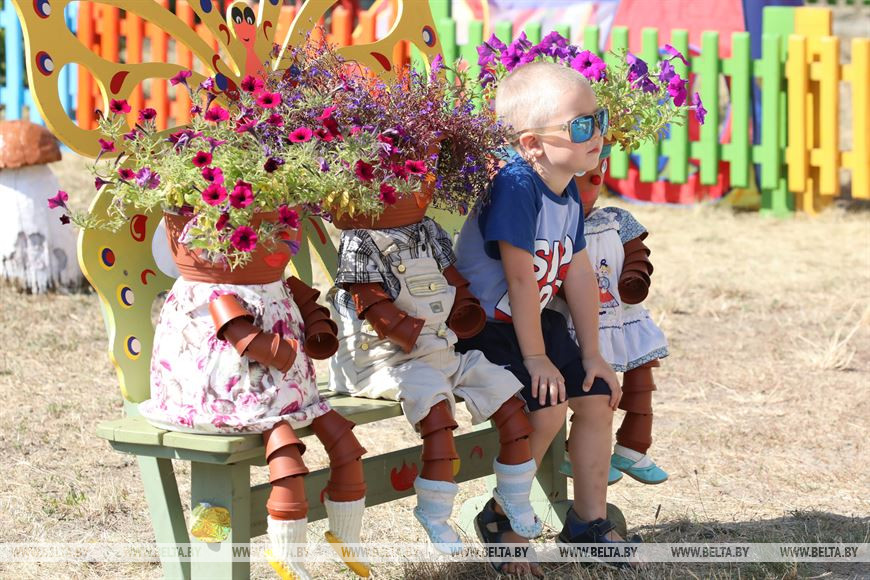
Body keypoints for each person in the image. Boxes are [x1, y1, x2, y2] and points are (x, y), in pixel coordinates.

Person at [454, 61, 630, 549]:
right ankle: (502, 520)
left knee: (596, 395)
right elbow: (520, 278)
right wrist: (536, 359)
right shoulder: (515, 185)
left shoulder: (566, 184)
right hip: (483, 329)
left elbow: (575, 269)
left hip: (530, 324)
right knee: (549, 407)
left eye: (600, 119)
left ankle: (587, 524)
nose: (596, 133)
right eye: (580, 125)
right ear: (532, 144)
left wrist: (592, 353)